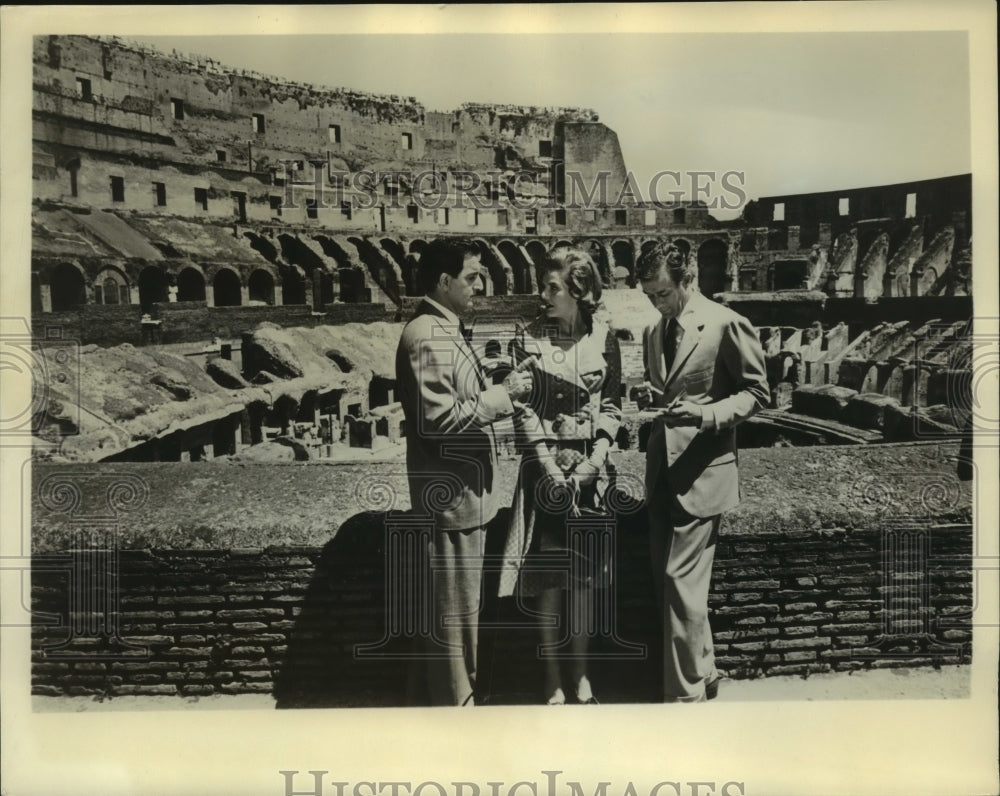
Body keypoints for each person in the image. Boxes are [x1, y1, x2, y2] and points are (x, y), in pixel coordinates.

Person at [395, 237, 533, 706]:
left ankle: (456, 706)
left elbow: (454, 399)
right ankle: (455, 720)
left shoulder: (444, 328)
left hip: (466, 500)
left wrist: (491, 383)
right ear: (444, 280)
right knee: (455, 627)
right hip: (451, 502)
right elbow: (436, 422)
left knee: (462, 620)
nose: (481, 285)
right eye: (472, 277)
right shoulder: (427, 335)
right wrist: (501, 396)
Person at [633, 240, 769, 703]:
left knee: (679, 583)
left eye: (663, 293)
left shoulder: (728, 323)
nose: (657, 304)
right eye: (650, 295)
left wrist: (706, 415)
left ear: (688, 278)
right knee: (673, 588)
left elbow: (757, 394)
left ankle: (684, 699)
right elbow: (666, 391)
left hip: (704, 474)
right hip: (662, 475)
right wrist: (649, 401)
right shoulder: (655, 331)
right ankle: (705, 670)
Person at [500, 245, 622, 706]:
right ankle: (551, 677)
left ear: (579, 289)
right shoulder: (527, 337)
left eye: (553, 287)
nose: (543, 295)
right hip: (545, 474)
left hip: (592, 476)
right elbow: (522, 409)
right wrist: (549, 467)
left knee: (587, 582)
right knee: (550, 582)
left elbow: (612, 403)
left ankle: (582, 675)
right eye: (543, 285)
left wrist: (596, 458)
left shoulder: (605, 336)